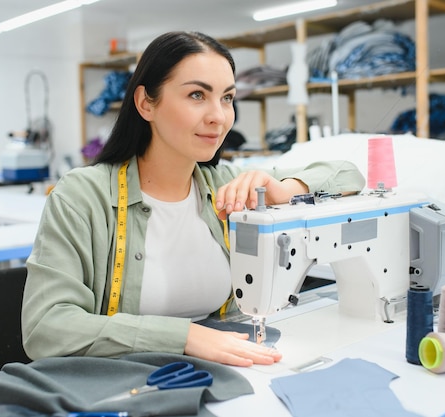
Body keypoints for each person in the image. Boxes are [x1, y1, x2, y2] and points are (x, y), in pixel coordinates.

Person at [22, 31, 365, 368]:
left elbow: (349, 175)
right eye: (198, 95)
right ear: (145, 103)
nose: (218, 115)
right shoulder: (83, 197)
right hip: (123, 384)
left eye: (227, 97)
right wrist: (185, 337)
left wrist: (284, 189)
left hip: (221, 369)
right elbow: (46, 328)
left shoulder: (225, 185)